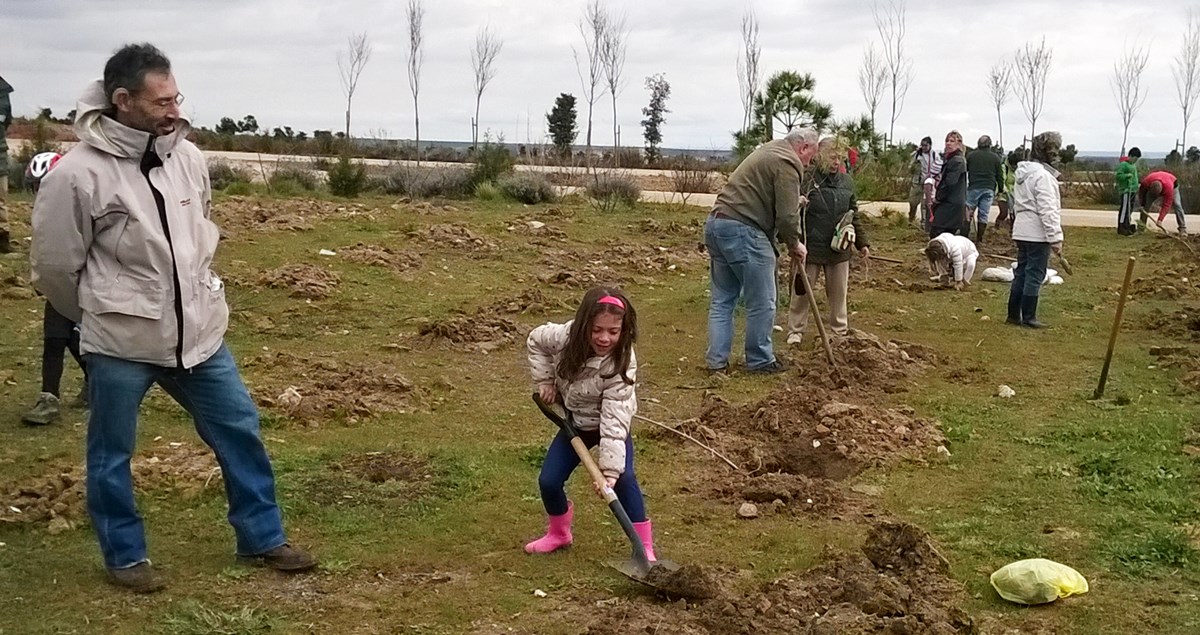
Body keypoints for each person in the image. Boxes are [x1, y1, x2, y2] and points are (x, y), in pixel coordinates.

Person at [30, 43, 315, 593]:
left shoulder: (188, 158)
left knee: (240, 431)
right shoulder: (76, 176)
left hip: (201, 338)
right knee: (111, 453)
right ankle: (126, 555)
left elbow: (199, 233)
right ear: (123, 100)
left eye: (176, 97)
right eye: (162, 101)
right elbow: (55, 269)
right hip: (121, 342)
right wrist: (101, 315)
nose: (174, 110)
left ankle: (262, 536)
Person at [524, 286, 657, 561]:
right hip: (574, 423)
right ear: (584, 324)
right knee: (549, 481)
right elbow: (535, 340)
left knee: (624, 479)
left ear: (624, 330)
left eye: (613, 331)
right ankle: (559, 533)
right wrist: (545, 381)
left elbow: (614, 418)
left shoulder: (621, 363)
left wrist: (609, 471)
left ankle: (643, 547)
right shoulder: (564, 337)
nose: (604, 338)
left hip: (608, 424)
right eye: (597, 330)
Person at [705, 127, 817, 374]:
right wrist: (794, 243)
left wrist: (794, 201)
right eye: (811, 156)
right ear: (804, 148)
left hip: (717, 224)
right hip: (744, 230)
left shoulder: (769, 150)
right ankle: (760, 360)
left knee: (723, 300)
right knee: (763, 301)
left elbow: (764, 195)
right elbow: (787, 218)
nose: (809, 163)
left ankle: (716, 362)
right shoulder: (787, 162)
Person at [21, 151, 89, 426]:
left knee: (76, 338)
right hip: (59, 284)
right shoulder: (42, 213)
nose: (41, 194)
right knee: (54, 338)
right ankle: (49, 398)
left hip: (85, 282)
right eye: (36, 188)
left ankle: (93, 382)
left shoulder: (81, 203)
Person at [786, 138, 870, 346]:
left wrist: (862, 243)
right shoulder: (805, 179)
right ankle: (795, 331)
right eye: (833, 157)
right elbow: (790, 211)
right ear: (820, 155)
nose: (836, 162)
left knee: (838, 294)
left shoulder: (847, 182)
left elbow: (853, 214)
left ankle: (839, 332)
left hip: (839, 249)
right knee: (801, 292)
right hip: (810, 247)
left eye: (840, 158)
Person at [1007, 131, 1065, 329]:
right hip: (1037, 233)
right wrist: (1055, 237)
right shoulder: (1043, 177)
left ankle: (1013, 314)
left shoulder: (1023, 174)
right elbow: (1047, 209)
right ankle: (1029, 317)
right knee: (1035, 273)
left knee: (1022, 271)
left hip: (1022, 230)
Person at [964, 135, 1004, 243]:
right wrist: (1000, 190)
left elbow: (964, 171)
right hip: (989, 188)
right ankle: (979, 239)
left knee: (968, 212)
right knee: (984, 214)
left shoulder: (971, 156)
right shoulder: (995, 158)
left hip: (973, 187)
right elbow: (1000, 176)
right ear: (990, 145)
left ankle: (964, 236)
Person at [931, 130, 967, 239]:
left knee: (937, 232)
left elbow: (949, 183)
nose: (948, 143)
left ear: (959, 144)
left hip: (950, 203)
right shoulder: (953, 159)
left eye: (952, 141)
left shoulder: (957, 161)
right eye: (947, 140)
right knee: (946, 236)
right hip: (953, 202)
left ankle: (941, 255)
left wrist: (938, 198)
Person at [1138, 170, 1189, 236]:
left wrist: (1160, 220)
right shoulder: (1146, 182)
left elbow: (1166, 205)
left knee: (1177, 205)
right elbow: (1141, 193)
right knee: (1146, 206)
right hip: (1156, 181)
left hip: (1173, 183)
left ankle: (1182, 229)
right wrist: (1141, 204)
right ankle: (1141, 228)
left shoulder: (1169, 189)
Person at [908, 136, 942, 227]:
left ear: (930, 145)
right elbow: (909, 166)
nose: (923, 147)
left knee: (925, 204)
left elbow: (939, 167)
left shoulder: (935, 155)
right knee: (913, 202)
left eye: (925, 145)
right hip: (916, 182)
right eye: (922, 145)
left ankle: (924, 223)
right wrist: (915, 164)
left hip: (928, 183)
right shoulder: (917, 154)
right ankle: (911, 220)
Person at [1114, 147, 1141, 236]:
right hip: (1126, 191)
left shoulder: (1133, 166)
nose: (1135, 161)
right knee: (1124, 209)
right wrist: (1126, 176)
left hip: (1132, 190)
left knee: (1130, 209)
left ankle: (1127, 225)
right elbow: (1118, 176)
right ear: (1130, 156)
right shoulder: (1124, 165)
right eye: (1135, 158)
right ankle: (1122, 227)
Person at [0, 74, 13, 253]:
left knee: (0, 198)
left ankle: (2, 239)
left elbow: (6, 120)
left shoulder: (2, 92)